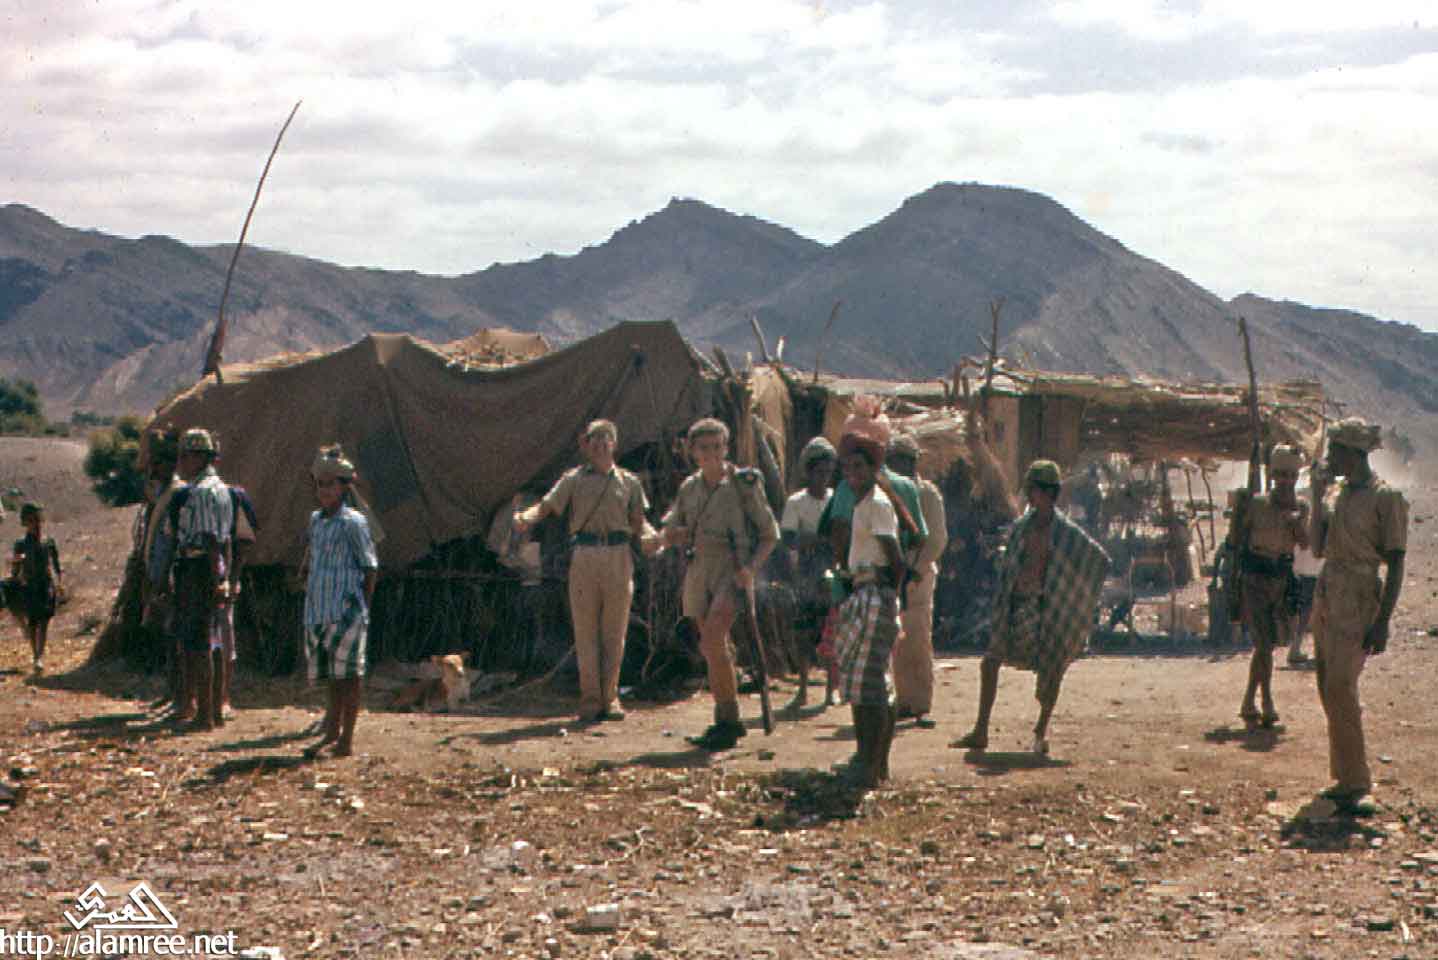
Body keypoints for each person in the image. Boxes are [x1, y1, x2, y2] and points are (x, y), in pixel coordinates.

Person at [952, 459, 1109, 756]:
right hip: (1017, 606)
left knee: (1052, 670)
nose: (1030, 496)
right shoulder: (1022, 528)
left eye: (1034, 490)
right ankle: (981, 730)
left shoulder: (1066, 533)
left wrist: (1073, 597)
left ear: (1049, 493)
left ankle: (1040, 731)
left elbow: (1097, 561)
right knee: (990, 661)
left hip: (1048, 609)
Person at [515, 419, 649, 723]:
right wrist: (526, 518)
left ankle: (610, 698)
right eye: (594, 439)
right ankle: (590, 699)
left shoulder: (629, 482)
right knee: (585, 631)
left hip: (618, 555)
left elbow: (639, 522)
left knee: (615, 632)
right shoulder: (573, 480)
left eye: (605, 438)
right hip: (585, 556)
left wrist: (652, 537)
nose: (600, 444)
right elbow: (546, 506)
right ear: (586, 446)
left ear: (614, 444)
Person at [659, 418, 779, 750]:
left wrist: (750, 570)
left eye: (717, 446)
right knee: (714, 647)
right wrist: (671, 535)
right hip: (700, 568)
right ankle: (726, 718)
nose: (711, 453)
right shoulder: (690, 488)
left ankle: (729, 720)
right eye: (703, 448)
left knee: (712, 640)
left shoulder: (743, 484)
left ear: (726, 448)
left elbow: (770, 534)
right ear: (692, 452)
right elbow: (672, 526)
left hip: (732, 568)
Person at [1308, 418, 1407, 816]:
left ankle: (1358, 780)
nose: (1331, 459)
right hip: (1329, 592)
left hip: (1359, 595)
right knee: (1326, 686)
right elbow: (1317, 548)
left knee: (1340, 684)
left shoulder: (1386, 498)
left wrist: (1383, 620)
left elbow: (1396, 561)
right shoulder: (1339, 494)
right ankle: (1344, 776)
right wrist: (1316, 497)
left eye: (1336, 451)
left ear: (1353, 453)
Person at [831, 434, 905, 787]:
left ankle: (869, 763)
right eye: (847, 468)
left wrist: (888, 594)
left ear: (873, 469)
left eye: (858, 467)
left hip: (875, 594)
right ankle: (872, 762)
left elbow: (895, 558)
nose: (852, 474)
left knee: (869, 686)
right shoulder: (862, 504)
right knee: (868, 682)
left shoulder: (876, 504)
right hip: (864, 591)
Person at [303, 446, 379, 758]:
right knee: (333, 678)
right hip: (320, 609)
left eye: (331, 485)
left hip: (347, 610)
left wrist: (362, 608)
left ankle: (347, 739)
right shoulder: (316, 521)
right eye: (320, 485)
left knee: (349, 676)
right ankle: (331, 732)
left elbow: (369, 567)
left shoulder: (353, 522)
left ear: (344, 487)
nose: (325, 491)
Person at [1232, 445, 1309, 730]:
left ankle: (1248, 701)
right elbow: (1237, 539)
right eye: (1281, 475)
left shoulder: (1301, 507)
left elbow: (1305, 544)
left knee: (1267, 646)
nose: (1286, 481)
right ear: (1273, 476)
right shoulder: (1256, 504)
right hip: (1254, 579)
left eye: (1291, 475)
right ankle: (1266, 701)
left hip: (1281, 581)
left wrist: (1296, 523)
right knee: (1263, 644)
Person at [168, 428, 232, 730]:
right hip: (210, 567)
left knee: (198, 641)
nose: (180, 463)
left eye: (184, 456)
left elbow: (209, 539)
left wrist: (215, 579)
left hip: (198, 568)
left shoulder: (201, 492)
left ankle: (204, 714)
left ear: (198, 457)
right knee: (212, 640)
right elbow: (225, 540)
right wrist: (224, 575)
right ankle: (213, 710)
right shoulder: (221, 489)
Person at [886, 432, 947, 728]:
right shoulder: (887, 492)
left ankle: (920, 702)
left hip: (918, 575)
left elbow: (936, 539)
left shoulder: (927, 494)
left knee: (918, 637)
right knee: (895, 640)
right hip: (893, 572)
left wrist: (916, 569)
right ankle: (900, 700)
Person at [778, 436, 838, 710]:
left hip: (832, 568)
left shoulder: (836, 499)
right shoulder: (797, 502)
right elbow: (789, 538)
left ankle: (830, 689)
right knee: (803, 631)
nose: (823, 478)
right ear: (809, 472)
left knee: (831, 629)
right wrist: (819, 540)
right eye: (818, 472)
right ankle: (802, 689)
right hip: (806, 570)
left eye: (827, 472)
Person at [217, 485, 259, 719]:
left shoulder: (232, 496)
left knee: (225, 639)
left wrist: (232, 578)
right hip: (198, 580)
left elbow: (244, 541)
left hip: (223, 581)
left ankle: (223, 696)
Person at [12, 502, 61, 675]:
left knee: (44, 622)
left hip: (46, 585)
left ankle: (40, 655)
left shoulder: (48, 541)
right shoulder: (21, 544)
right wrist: (16, 568)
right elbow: (15, 569)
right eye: (31, 520)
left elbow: (55, 564)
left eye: (37, 519)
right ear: (25, 522)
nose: (35, 524)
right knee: (33, 623)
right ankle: (36, 656)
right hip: (30, 586)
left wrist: (59, 582)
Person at [1287, 466, 1323, 666]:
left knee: (1303, 612)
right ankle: (1301, 649)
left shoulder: (1301, 499)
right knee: (1312, 612)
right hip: (1312, 572)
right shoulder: (1318, 502)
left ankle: (1296, 648)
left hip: (1300, 570)